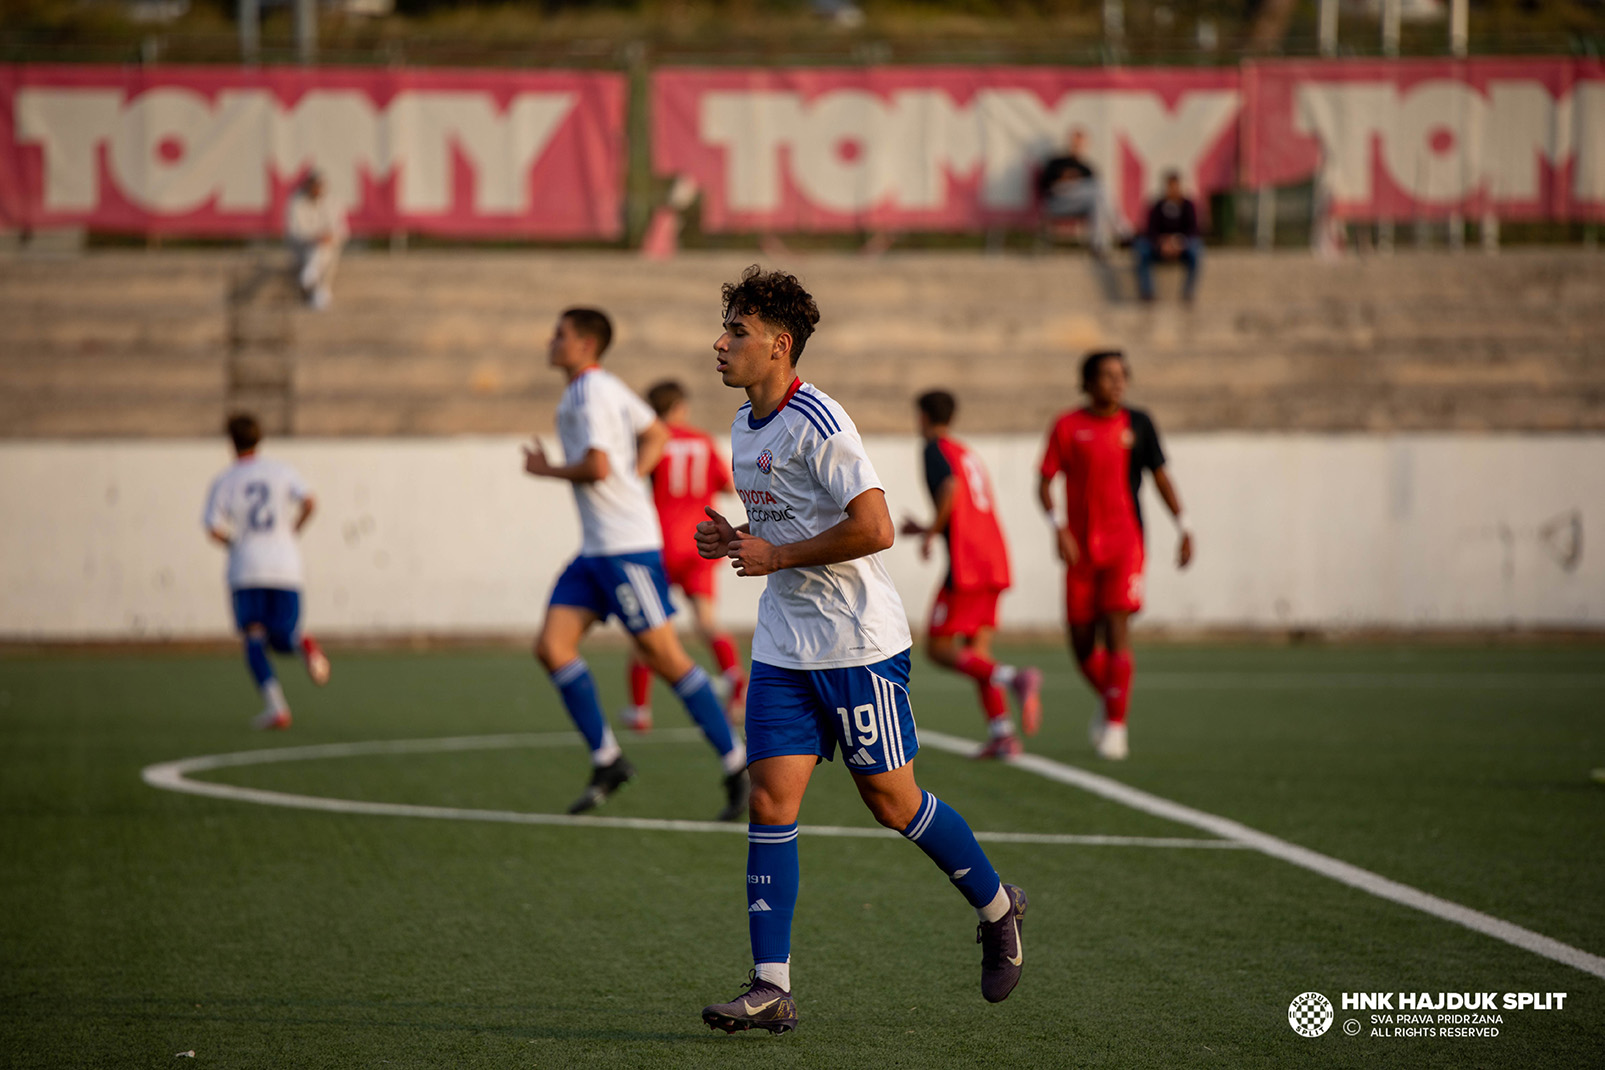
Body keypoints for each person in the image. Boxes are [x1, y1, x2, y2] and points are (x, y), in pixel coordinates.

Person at [697, 267, 1028, 1035]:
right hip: (785, 644)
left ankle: (997, 904)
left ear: (778, 347)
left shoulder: (819, 419)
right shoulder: (746, 424)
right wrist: (736, 541)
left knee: (891, 802)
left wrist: (774, 558)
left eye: (736, 333)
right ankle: (770, 986)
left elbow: (875, 529)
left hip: (856, 642)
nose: (719, 344)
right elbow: (782, 527)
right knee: (771, 801)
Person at [525, 307, 748, 820]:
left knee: (667, 659)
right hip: (597, 551)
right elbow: (656, 433)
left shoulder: (592, 393)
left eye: (559, 334)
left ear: (584, 344)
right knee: (552, 647)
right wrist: (633, 474)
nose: (551, 341)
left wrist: (548, 470)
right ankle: (608, 760)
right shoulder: (599, 388)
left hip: (626, 549)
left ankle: (736, 764)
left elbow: (599, 467)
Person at [1037, 351, 1193, 761]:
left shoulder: (1138, 424)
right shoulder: (1067, 426)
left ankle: (1117, 728)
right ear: (1087, 383)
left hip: (1125, 545)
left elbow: (1160, 477)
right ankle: (1111, 703)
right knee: (1082, 642)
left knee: (1117, 629)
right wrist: (1058, 527)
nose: (1117, 382)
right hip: (1080, 551)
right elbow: (1044, 481)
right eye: (1107, 376)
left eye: (1122, 375)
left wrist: (1185, 526)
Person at [899, 390, 1042, 759]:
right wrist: (929, 527)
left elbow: (950, 488)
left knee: (938, 648)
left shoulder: (934, 449)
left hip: (968, 563)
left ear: (923, 417)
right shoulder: (964, 452)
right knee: (978, 654)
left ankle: (1015, 678)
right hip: (994, 556)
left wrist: (931, 535)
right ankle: (1003, 735)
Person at [621, 380, 748, 731]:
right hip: (702, 541)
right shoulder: (703, 440)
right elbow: (726, 484)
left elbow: (634, 480)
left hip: (659, 543)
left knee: (648, 628)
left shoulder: (652, 439)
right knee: (706, 620)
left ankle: (640, 709)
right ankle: (735, 680)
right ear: (679, 406)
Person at [202, 412, 331, 730]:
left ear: (231, 443)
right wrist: (292, 531)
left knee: (255, 638)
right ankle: (303, 644)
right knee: (283, 634)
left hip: (246, 567)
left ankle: (277, 708)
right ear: (260, 439)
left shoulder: (225, 480)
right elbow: (310, 502)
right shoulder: (281, 471)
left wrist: (236, 543)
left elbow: (213, 529)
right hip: (285, 564)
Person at [1036, 129, 1123, 256]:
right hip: (1057, 203)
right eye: (1074, 142)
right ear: (1069, 142)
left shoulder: (1087, 168)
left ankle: (1099, 245)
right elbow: (1044, 184)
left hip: (1079, 206)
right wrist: (1063, 178)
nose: (1077, 146)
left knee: (1098, 198)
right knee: (1099, 189)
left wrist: (1077, 181)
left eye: (1080, 144)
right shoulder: (1056, 161)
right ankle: (1122, 231)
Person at [1134, 171, 1203, 303]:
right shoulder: (1158, 206)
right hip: (1161, 247)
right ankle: (1148, 293)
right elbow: (1151, 230)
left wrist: (1178, 242)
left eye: (1175, 186)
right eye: (1170, 187)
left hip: (1182, 246)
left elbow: (1193, 230)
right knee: (1141, 248)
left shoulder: (1188, 205)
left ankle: (1188, 293)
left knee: (1196, 248)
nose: (1172, 190)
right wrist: (1161, 243)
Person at [284, 171, 347, 310]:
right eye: (314, 186)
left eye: (319, 186)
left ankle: (312, 275)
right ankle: (322, 290)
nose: (316, 189)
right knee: (317, 250)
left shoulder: (332, 202)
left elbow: (341, 230)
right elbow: (294, 231)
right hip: (303, 247)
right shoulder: (297, 202)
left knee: (322, 250)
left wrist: (326, 237)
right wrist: (313, 237)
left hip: (327, 247)